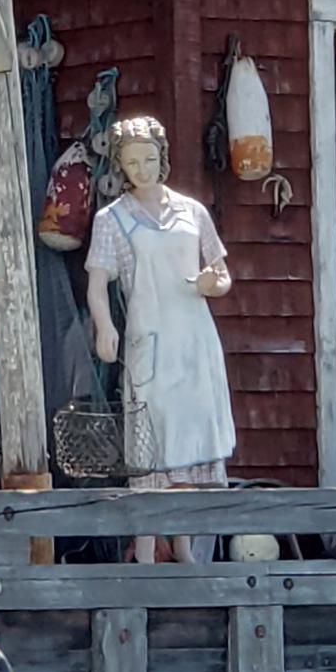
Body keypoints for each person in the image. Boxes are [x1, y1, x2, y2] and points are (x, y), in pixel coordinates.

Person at [82, 112, 235, 558]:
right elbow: (97, 285)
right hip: (149, 338)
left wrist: (214, 283)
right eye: (133, 162)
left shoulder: (192, 212)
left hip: (194, 339)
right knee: (152, 444)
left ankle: (185, 548)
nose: (142, 169)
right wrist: (105, 327)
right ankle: (146, 553)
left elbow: (221, 272)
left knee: (188, 442)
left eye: (149, 159)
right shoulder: (112, 219)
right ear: (122, 167)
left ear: (161, 158)